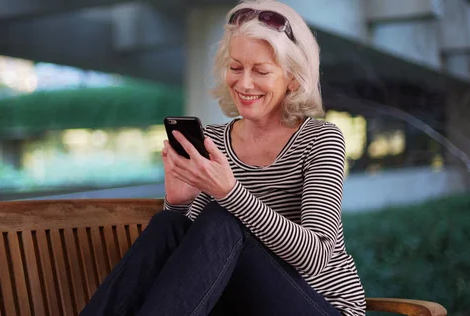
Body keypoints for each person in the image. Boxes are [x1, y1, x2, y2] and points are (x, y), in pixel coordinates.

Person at [80, 0, 366, 315]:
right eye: (235, 67)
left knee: (223, 219)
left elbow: (315, 256)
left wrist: (229, 192)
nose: (243, 83)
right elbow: (200, 266)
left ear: (294, 79)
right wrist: (179, 203)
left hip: (320, 306)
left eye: (260, 71)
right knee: (168, 225)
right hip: (241, 304)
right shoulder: (215, 140)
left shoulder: (320, 139)